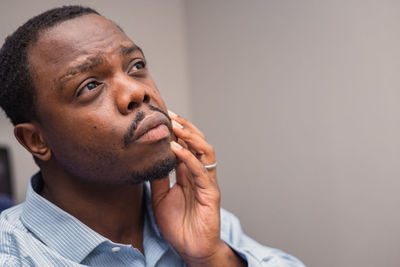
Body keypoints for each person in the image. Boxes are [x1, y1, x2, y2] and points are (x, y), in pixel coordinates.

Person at [0, 5, 304, 267]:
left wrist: (212, 258)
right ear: (35, 140)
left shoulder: (193, 214)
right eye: (90, 86)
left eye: (136, 66)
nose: (138, 91)